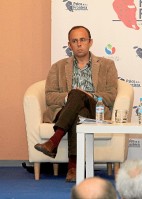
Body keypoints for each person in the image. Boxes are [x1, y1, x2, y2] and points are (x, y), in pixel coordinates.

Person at [34, 26, 118, 182]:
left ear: (90, 42)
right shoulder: (58, 67)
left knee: (78, 95)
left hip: (96, 109)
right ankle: (74, 168)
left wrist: (88, 95)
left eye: (82, 40)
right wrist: (69, 98)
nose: (79, 44)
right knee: (79, 112)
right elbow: (50, 96)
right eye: (74, 41)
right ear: (69, 45)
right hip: (66, 110)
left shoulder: (107, 65)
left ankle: (54, 141)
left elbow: (112, 95)